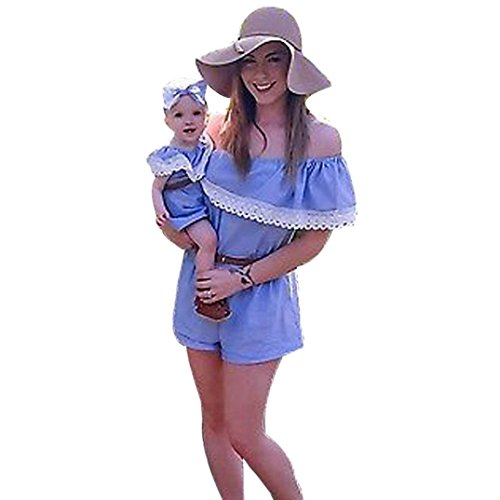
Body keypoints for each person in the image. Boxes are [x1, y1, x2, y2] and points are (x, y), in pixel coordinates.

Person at [156, 7, 356, 499]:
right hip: (200, 286)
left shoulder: (320, 143)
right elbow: (184, 203)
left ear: (294, 67)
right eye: (249, 60)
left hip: (259, 296)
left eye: (274, 59)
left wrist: (241, 278)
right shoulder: (214, 129)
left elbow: (314, 240)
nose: (261, 73)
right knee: (214, 421)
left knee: (246, 432)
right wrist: (177, 231)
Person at [147, 78, 231, 322]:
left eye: (196, 113)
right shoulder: (170, 157)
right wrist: (160, 211)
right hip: (184, 207)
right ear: (167, 120)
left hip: (199, 202)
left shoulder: (204, 145)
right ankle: (205, 295)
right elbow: (156, 187)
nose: (189, 121)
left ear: (206, 116)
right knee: (208, 241)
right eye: (179, 115)